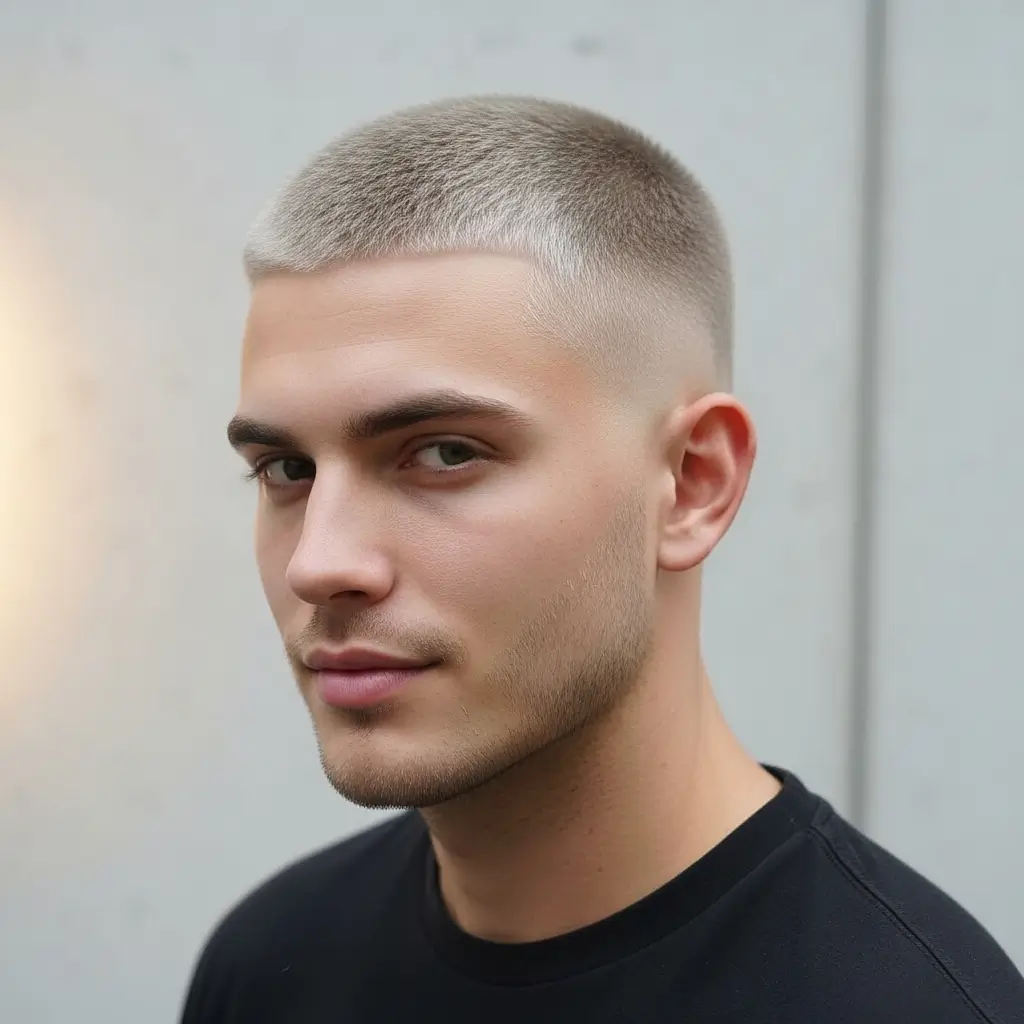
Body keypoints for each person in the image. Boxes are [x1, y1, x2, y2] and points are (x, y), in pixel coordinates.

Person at [180, 96, 1024, 1023]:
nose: (318, 563)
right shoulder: (272, 961)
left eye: (446, 453)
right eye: (286, 468)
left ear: (693, 483)